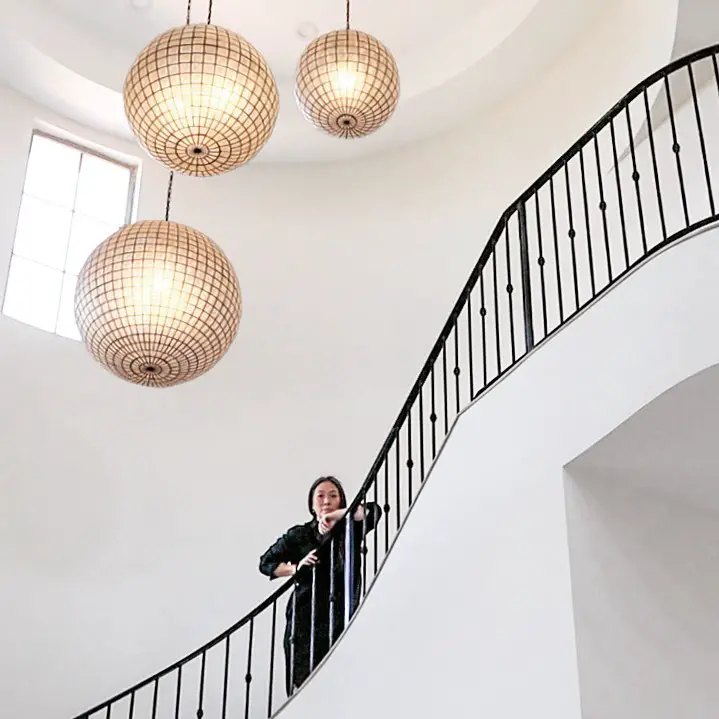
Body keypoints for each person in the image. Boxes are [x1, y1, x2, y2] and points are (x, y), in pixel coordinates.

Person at [259, 476, 381, 695]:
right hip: (307, 613)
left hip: (341, 608)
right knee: (306, 680)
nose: (327, 501)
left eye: (333, 496)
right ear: (312, 504)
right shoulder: (299, 534)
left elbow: (373, 511)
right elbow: (266, 563)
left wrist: (333, 517)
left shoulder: (350, 527)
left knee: (341, 676)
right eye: (321, 496)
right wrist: (296, 568)